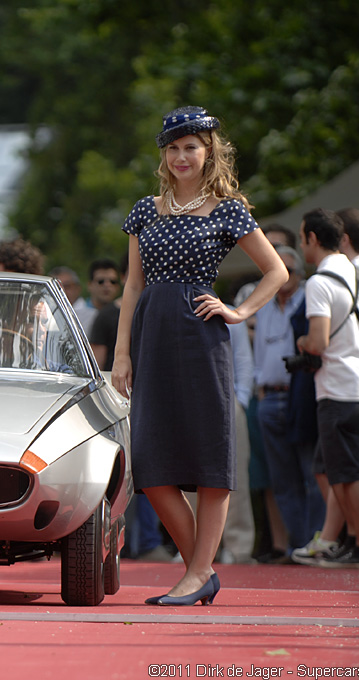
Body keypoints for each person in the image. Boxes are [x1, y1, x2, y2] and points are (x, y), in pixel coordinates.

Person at [113, 106, 286, 605]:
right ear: (164, 156)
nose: (181, 155)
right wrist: (122, 353)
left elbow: (276, 271)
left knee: (211, 455)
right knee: (149, 461)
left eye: (191, 146)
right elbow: (132, 284)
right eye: (172, 147)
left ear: (208, 151)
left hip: (202, 337)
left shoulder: (228, 209)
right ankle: (202, 568)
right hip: (152, 336)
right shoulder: (145, 210)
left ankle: (195, 574)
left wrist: (239, 310)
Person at [296, 208, 359, 567]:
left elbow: (318, 341)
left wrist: (302, 343)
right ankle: (354, 541)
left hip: (338, 386)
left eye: (302, 239)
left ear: (313, 239)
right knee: (340, 470)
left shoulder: (319, 281)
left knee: (347, 473)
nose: (303, 247)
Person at [252, 245, 325, 553]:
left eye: (288, 272)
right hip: (268, 399)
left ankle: (318, 542)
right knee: (281, 480)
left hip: (300, 396)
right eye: (275, 271)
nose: (281, 278)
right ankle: (298, 547)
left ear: (299, 274)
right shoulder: (263, 302)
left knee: (311, 474)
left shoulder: (310, 297)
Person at [83, 258, 121, 334]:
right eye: (101, 281)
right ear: (89, 285)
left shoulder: (123, 315)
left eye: (112, 282)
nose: (107, 285)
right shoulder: (76, 315)